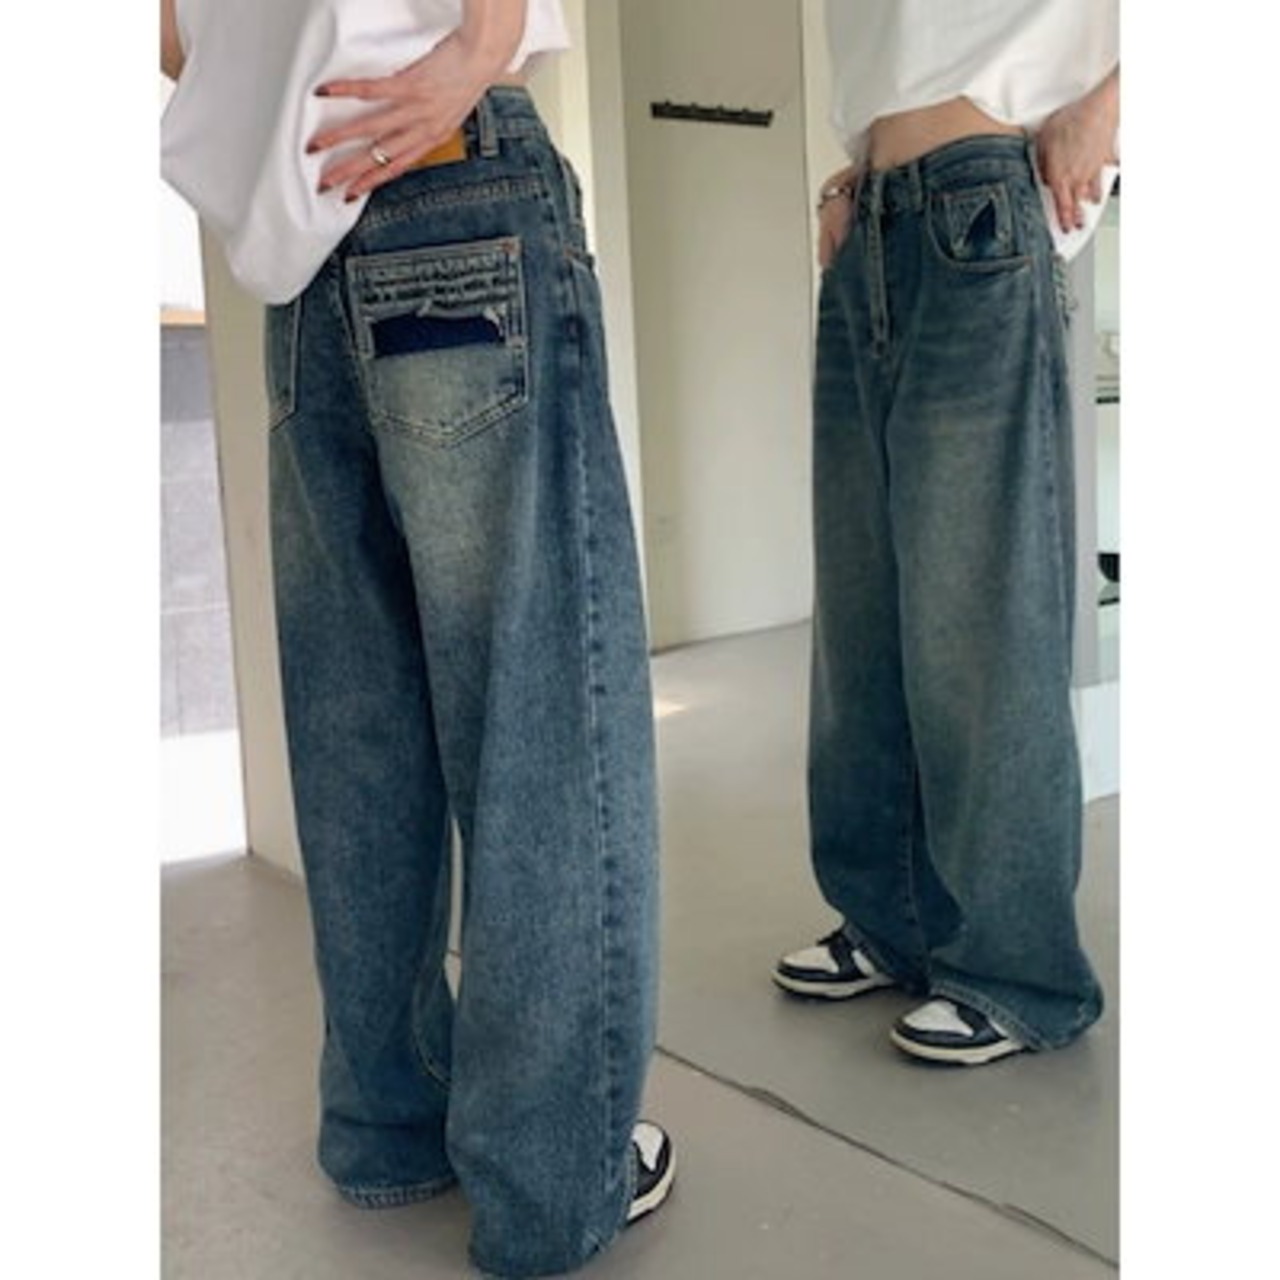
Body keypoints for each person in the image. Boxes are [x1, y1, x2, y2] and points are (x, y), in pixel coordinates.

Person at [161, 0, 674, 1273]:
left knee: (359, 726)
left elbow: (174, 38)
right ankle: (551, 1175)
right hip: (454, 180)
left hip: (303, 237)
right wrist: (480, 44)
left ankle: (385, 1120)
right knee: (538, 716)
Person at [773, 0, 1119, 1066]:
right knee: (863, 613)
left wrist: (1111, 106)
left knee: (979, 618)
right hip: (874, 211)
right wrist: (856, 168)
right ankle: (891, 918)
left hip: (983, 193)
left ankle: (1019, 970)